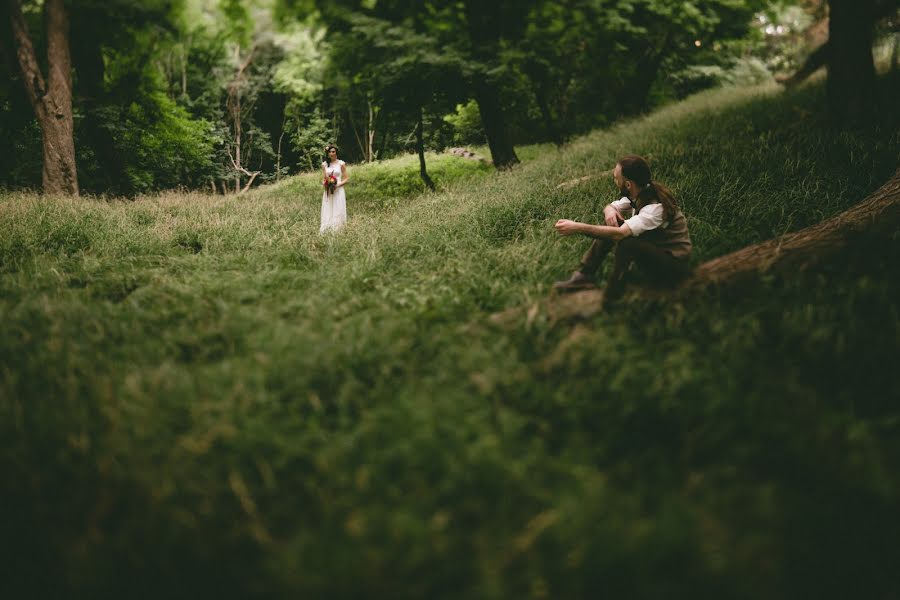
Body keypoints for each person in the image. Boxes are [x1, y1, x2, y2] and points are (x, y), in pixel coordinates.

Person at [553, 155, 692, 304]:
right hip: (657, 253)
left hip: (674, 266)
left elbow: (620, 234)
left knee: (627, 244)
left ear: (628, 185)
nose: (614, 181)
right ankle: (584, 275)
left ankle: (612, 297)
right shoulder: (639, 192)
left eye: (616, 178)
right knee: (612, 224)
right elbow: (612, 206)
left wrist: (577, 227)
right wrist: (609, 211)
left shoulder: (655, 207)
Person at [320, 144, 349, 233]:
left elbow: (346, 178)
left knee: (338, 207)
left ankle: (338, 229)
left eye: (333, 151)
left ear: (336, 152)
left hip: (338, 189)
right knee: (328, 207)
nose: (331, 153)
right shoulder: (325, 165)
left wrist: (338, 185)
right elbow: (324, 178)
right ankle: (327, 228)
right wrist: (325, 183)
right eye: (330, 152)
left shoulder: (341, 163)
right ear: (327, 153)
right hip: (328, 190)